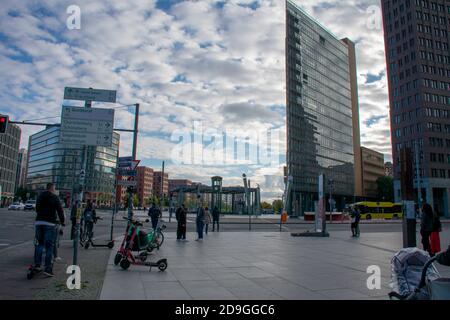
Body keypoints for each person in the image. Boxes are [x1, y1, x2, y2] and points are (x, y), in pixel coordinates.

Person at [34, 183, 65, 277]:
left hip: (39, 222)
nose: (55, 190)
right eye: (54, 188)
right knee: (49, 246)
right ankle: (48, 268)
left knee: (39, 244)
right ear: (52, 188)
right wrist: (62, 222)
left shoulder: (40, 196)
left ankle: (37, 265)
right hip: (50, 223)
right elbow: (60, 210)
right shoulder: (55, 197)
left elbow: (37, 209)